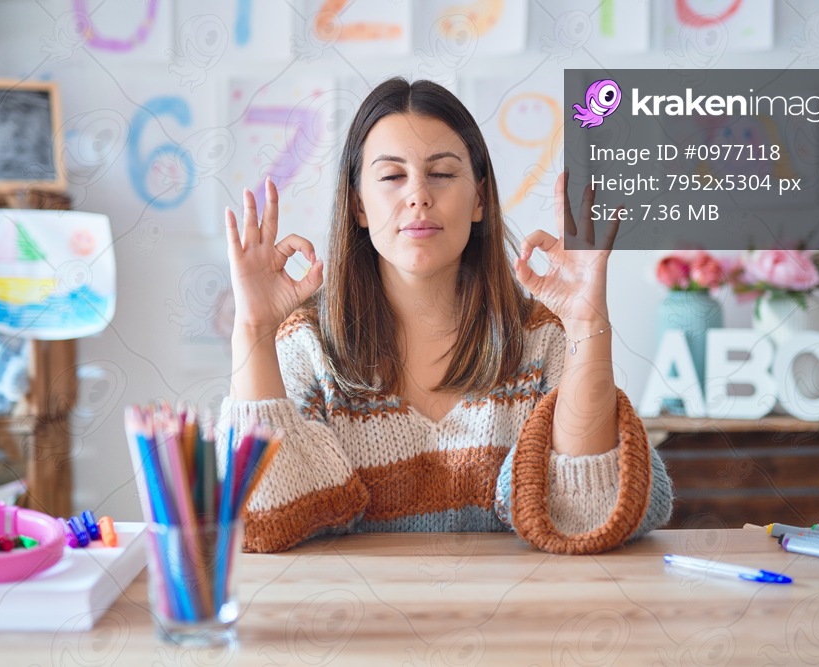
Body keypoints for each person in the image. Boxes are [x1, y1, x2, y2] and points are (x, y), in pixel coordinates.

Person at [223, 77, 672, 554]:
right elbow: (260, 521)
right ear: (358, 204)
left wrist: (587, 326)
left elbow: (589, 517)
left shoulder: (541, 341)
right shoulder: (309, 346)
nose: (418, 195)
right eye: (392, 176)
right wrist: (252, 328)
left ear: (479, 199)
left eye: (441, 173)